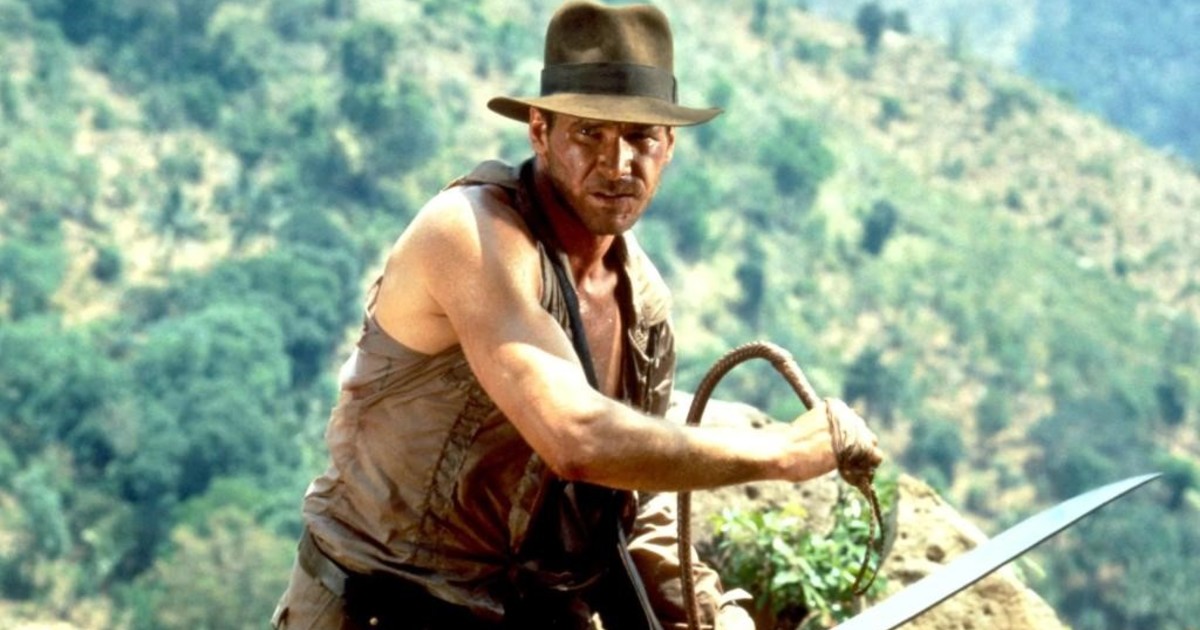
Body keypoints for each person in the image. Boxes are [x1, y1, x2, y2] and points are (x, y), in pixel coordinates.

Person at [271, 2, 882, 629]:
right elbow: (577, 439)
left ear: (669, 146)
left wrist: (711, 612)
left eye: (641, 138)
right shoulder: (471, 236)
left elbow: (628, 504)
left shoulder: (642, 303)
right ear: (540, 131)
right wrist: (781, 450)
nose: (617, 165)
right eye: (590, 133)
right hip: (377, 609)